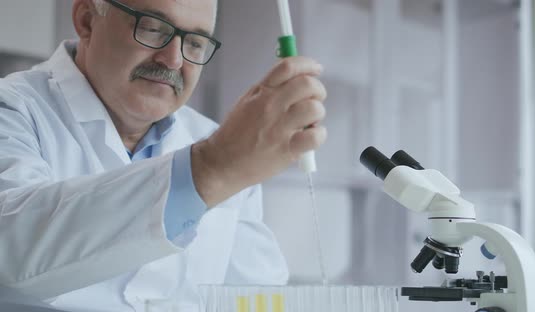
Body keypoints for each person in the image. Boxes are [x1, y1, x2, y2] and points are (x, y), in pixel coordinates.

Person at [0, 0, 327, 310]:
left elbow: (256, 295)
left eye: (196, 42)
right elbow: (12, 252)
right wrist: (210, 170)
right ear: (86, 20)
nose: (173, 59)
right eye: (154, 28)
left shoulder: (215, 141)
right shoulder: (14, 109)